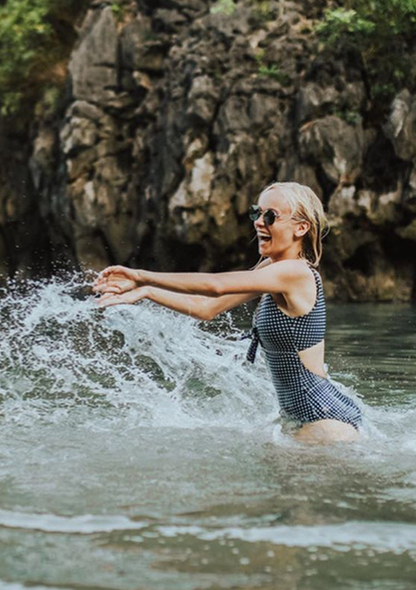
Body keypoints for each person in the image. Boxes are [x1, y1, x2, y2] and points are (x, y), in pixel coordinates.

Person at [93, 182, 362, 443]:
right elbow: (206, 308)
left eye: (270, 216)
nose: (258, 222)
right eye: (256, 213)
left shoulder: (295, 273)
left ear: (301, 228)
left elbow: (215, 286)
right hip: (309, 418)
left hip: (325, 422)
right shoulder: (271, 268)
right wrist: (146, 293)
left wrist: (141, 276)